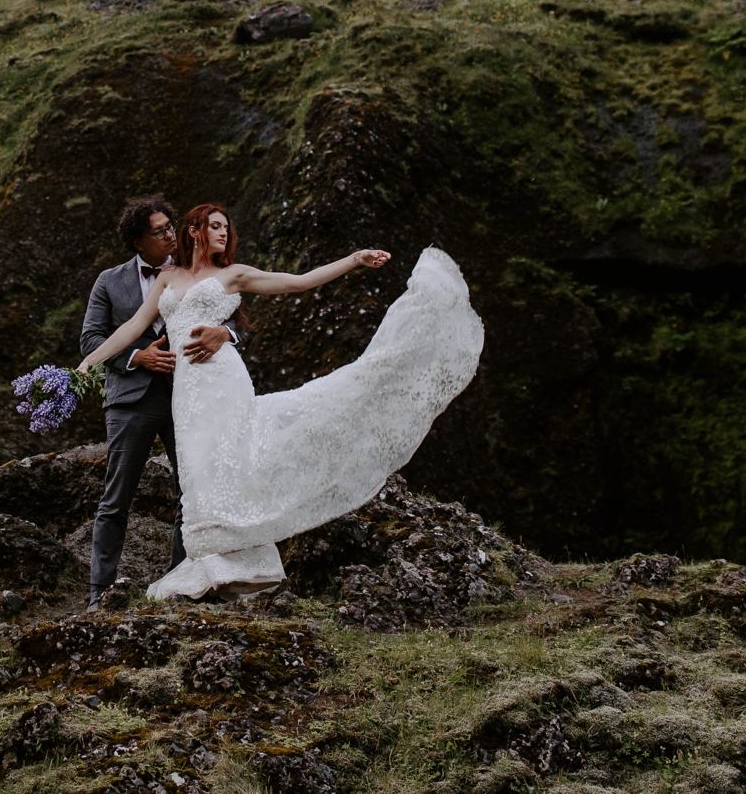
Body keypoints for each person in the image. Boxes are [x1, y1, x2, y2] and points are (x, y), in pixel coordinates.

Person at [79, 204, 484, 601]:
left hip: (222, 378)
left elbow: (299, 281)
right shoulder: (168, 278)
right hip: (186, 392)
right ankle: (210, 565)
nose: (223, 233)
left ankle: (226, 568)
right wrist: (83, 366)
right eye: (215, 226)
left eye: (226, 228)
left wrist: (354, 259)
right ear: (194, 230)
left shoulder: (233, 274)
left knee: (225, 462)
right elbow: (133, 327)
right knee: (200, 476)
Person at [79, 196, 239, 610]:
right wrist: (138, 357)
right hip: (131, 399)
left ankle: (179, 584)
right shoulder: (108, 282)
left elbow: (230, 317)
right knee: (117, 497)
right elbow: (92, 339)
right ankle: (100, 592)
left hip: (186, 397)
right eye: (160, 230)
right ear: (138, 242)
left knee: (191, 492)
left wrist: (227, 335)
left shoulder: (198, 272)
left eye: (172, 226)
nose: (171, 233)